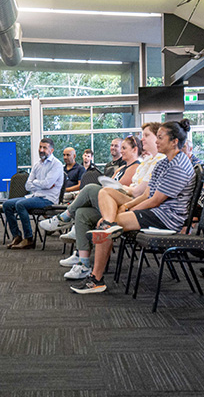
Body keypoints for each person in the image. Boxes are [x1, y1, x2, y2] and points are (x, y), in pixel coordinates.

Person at [72, 119, 195, 294]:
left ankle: (96, 279)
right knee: (104, 192)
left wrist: (128, 209)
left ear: (174, 141)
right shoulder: (163, 162)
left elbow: (155, 201)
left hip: (166, 218)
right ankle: (109, 224)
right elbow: (146, 194)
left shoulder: (179, 165)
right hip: (155, 211)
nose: (156, 141)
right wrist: (127, 206)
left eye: (160, 137)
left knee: (102, 226)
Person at [40, 135, 143, 279]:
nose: (121, 151)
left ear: (135, 150)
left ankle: (64, 218)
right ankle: (83, 263)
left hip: (121, 208)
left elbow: (117, 189)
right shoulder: (121, 168)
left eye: (124, 148)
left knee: (89, 189)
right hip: (108, 205)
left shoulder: (136, 166)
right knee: (82, 213)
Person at [3, 138, 64, 250]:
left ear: (52, 150)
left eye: (44, 148)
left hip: (48, 199)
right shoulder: (37, 165)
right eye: (40, 147)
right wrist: (40, 184)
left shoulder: (57, 165)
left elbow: (47, 184)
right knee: (7, 204)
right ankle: (17, 236)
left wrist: (36, 183)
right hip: (35, 196)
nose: (41, 150)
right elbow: (28, 185)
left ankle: (29, 239)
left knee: (20, 204)